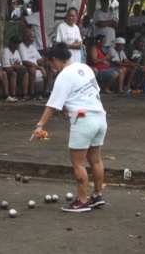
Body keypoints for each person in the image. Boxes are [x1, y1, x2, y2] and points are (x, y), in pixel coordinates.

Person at [30, 42, 107, 212]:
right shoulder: (85, 67)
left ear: (56, 59)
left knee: (77, 162)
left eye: (51, 64)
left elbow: (52, 105)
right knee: (96, 159)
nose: (52, 67)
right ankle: (97, 195)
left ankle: (81, 200)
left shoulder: (63, 76)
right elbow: (91, 92)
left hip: (84, 119)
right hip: (100, 117)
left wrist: (39, 125)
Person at [19, 29, 50, 100]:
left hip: (36, 67)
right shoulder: (21, 46)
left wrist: (49, 63)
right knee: (32, 69)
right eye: (31, 37)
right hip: (26, 68)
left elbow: (39, 60)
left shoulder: (32, 46)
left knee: (49, 67)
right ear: (25, 37)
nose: (33, 39)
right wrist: (40, 68)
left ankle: (46, 91)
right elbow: (25, 62)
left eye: (34, 37)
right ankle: (31, 93)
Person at [1, 36, 29, 101]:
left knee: (25, 73)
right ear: (11, 43)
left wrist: (13, 65)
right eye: (16, 44)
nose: (17, 46)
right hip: (6, 70)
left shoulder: (16, 52)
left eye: (18, 44)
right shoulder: (5, 51)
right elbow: (6, 67)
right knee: (13, 73)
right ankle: (13, 95)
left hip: (15, 69)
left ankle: (24, 95)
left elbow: (20, 65)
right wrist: (14, 65)